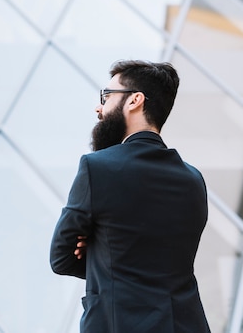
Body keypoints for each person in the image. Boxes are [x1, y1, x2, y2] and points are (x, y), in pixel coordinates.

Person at [50, 60, 210, 332]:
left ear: (135, 100)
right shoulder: (193, 180)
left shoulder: (96, 167)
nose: (99, 108)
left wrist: (102, 253)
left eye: (107, 96)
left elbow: (61, 256)